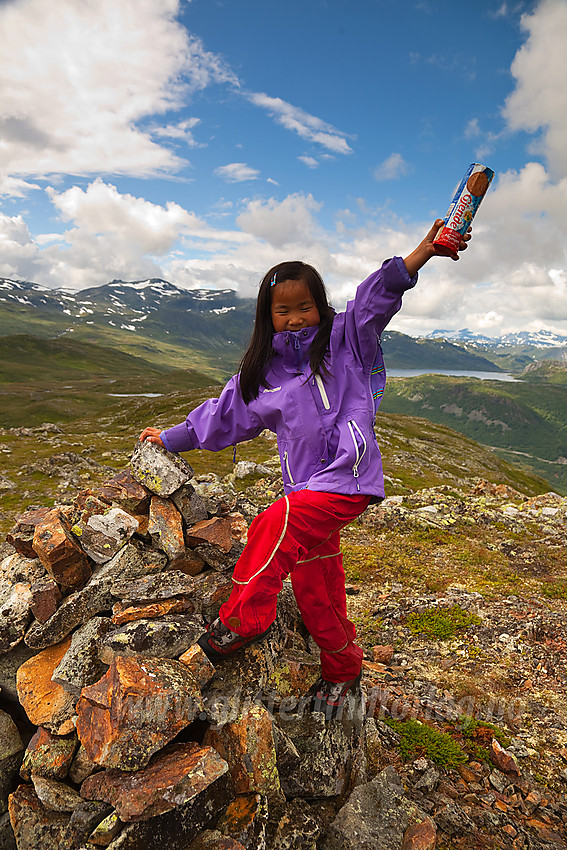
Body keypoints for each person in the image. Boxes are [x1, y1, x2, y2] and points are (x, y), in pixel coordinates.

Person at [140, 218, 471, 717]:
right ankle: (343, 670)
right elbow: (222, 417)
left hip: (348, 475)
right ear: (266, 316)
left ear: (320, 306)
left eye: (305, 306)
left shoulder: (345, 341)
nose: (296, 318)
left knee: (278, 520)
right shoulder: (262, 375)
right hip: (307, 486)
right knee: (318, 587)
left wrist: (420, 254)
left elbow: (373, 299)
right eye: (283, 310)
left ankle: (246, 617)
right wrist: (169, 438)